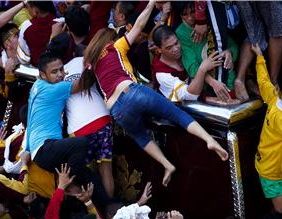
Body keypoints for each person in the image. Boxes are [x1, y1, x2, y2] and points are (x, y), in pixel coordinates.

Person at [80, 0, 228, 187]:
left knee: (141, 137)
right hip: (131, 92)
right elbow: (140, 25)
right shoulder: (115, 47)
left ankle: (167, 165)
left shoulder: (91, 64)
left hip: (116, 110)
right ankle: (208, 140)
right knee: (177, 114)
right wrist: (150, 4)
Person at [25, 52, 112, 214]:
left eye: (61, 70)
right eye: (54, 72)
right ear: (42, 74)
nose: (60, 75)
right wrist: (94, 59)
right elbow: (84, 83)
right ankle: (73, 177)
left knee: (92, 181)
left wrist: (27, 149)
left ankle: (108, 212)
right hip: (46, 149)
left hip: (42, 151)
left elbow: (30, 118)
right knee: (82, 142)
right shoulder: (55, 89)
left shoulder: (36, 86)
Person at [251, 43, 282, 215]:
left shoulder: (275, 98)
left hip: (267, 161)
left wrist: (259, 56)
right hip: (273, 174)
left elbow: (263, 81)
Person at [152, 25, 222, 102]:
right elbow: (189, 96)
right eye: (169, 48)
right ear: (159, 50)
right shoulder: (161, 74)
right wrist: (202, 69)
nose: (176, 49)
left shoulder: (184, 50)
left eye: (176, 43)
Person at [17, 1, 56, 66]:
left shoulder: (26, 26)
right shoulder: (61, 22)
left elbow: (23, 59)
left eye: (27, 7)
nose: (27, 10)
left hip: (37, 71)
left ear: (35, 10)